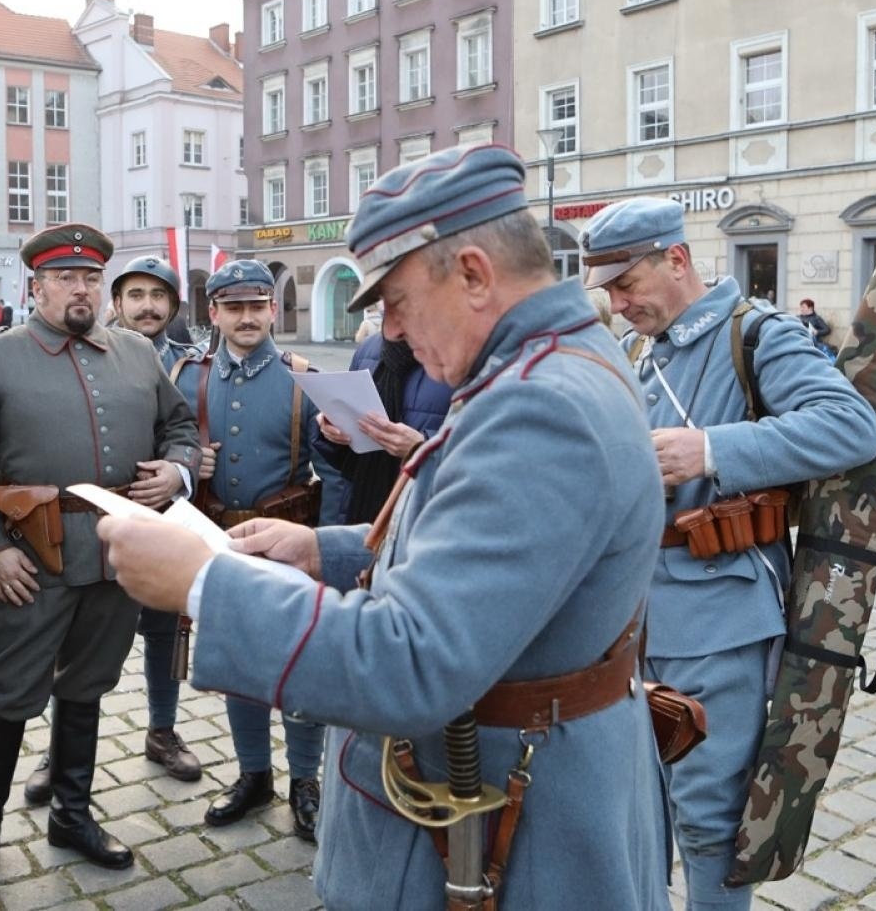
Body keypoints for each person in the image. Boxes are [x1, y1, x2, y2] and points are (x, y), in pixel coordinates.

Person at [98, 144, 671, 910]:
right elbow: (487, 558)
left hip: (510, 821)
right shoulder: (546, 365)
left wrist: (203, 584)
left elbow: (412, 663)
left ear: (473, 273)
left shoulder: (542, 403)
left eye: (396, 300)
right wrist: (323, 548)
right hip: (522, 779)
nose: (391, 331)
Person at [580, 198, 876, 911]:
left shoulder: (758, 333)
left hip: (719, 616)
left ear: (676, 260)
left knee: (712, 823)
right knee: (638, 812)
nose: (619, 305)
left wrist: (712, 449)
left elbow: (851, 427)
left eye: (627, 285)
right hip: (632, 618)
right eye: (610, 291)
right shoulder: (638, 352)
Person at [0, 224, 201, 900]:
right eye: (65, 278)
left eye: (90, 278)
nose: (79, 289)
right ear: (38, 287)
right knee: (8, 693)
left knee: (87, 686)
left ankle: (72, 817)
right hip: (32, 556)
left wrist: (176, 472)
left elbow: (179, 428)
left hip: (118, 554)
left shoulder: (138, 352)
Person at [16, 255, 203, 796]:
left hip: (164, 527)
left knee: (166, 637)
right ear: (115, 304)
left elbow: (185, 431)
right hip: (82, 538)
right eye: (136, 295)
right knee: (76, 649)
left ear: (173, 305)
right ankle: (60, 752)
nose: (148, 306)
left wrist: (180, 469)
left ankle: (162, 731)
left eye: (159, 296)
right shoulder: (88, 351)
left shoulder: (197, 363)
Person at [171, 259, 328, 843]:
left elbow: (332, 472)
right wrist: (189, 463)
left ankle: (305, 782)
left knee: (300, 664)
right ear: (212, 312)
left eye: (256, 306)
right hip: (220, 541)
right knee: (237, 664)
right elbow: (166, 449)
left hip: (288, 542)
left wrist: (323, 549)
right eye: (232, 307)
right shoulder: (189, 376)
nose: (245, 318)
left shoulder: (302, 376)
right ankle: (253, 775)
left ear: (272, 310)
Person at [314, 330, 450, 526]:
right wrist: (331, 428)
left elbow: (482, 449)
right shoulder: (368, 348)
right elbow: (344, 461)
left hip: (425, 513)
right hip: (362, 504)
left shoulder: (458, 351)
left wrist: (423, 448)